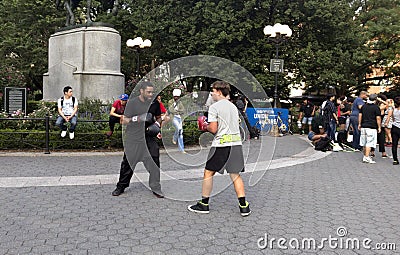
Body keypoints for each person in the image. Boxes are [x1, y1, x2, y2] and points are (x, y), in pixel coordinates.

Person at [188, 81, 251, 217]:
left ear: (219, 92)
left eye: (213, 90)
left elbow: (213, 128)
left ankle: (204, 204)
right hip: (235, 144)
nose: (211, 93)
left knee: (208, 173)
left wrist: (204, 126)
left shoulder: (215, 107)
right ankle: (244, 206)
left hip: (221, 145)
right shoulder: (233, 107)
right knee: (235, 175)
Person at [112, 81, 164, 198]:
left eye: (152, 92)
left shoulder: (154, 103)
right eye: (148, 92)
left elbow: (159, 118)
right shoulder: (132, 103)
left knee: (154, 162)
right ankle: (121, 186)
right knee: (127, 164)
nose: (151, 94)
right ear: (141, 91)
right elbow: (123, 120)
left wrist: (157, 124)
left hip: (148, 138)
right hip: (133, 138)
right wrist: (138, 119)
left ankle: (156, 187)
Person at [358, 94, 381, 164]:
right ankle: (367, 157)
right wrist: (379, 127)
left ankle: (365, 156)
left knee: (364, 142)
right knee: (370, 142)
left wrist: (359, 124)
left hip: (363, 126)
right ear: (375, 99)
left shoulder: (364, 106)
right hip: (371, 127)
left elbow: (360, 115)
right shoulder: (376, 107)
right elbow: (378, 118)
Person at [386, 96, 400, 165]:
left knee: (394, 144)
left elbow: (393, 118)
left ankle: (395, 159)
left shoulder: (394, 110)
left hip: (395, 127)